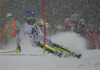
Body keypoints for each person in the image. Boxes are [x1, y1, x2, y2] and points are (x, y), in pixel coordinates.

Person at [15, 11, 81, 58]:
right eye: (29, 18)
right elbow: (19, 38)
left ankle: (68, 52)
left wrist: (43, 25)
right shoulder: (24, 26)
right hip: (33, 40)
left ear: (34, 17)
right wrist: (18, 47)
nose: (31, 19)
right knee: (38, 42)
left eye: (32, 17)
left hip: (40, 36)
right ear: (26, 18)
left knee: (52, 44)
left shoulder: (37, 20)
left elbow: (47, 25)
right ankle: (54, 52)